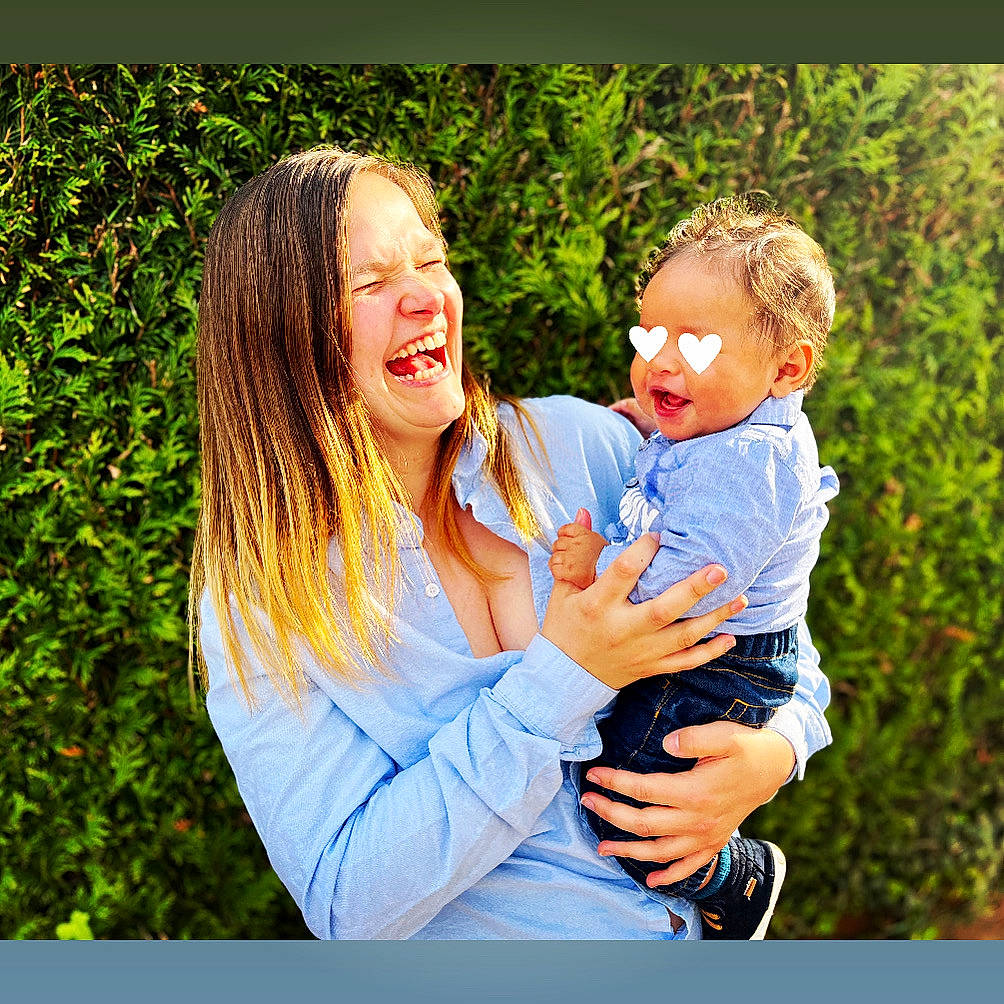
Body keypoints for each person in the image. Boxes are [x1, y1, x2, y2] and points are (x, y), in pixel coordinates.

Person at [190, 147, 833, 940]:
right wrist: (565, 678)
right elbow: (348, 906)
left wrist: (774, 755)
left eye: (431, 261)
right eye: (369, 282)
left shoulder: (586, 444)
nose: (425, 296)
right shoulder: (264, 601)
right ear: (279, 336)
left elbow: (776, 641)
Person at [549, 193, 839, 939]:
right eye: (651, 338)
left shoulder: (752, 464)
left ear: (787, 368)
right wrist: (655, 424)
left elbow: (688, 583)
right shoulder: (730, 425)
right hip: (721, 650)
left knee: (629, 809)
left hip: (724, 666)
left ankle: (738, 882)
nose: (662, 362)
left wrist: (599, 565)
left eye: (698, 347)